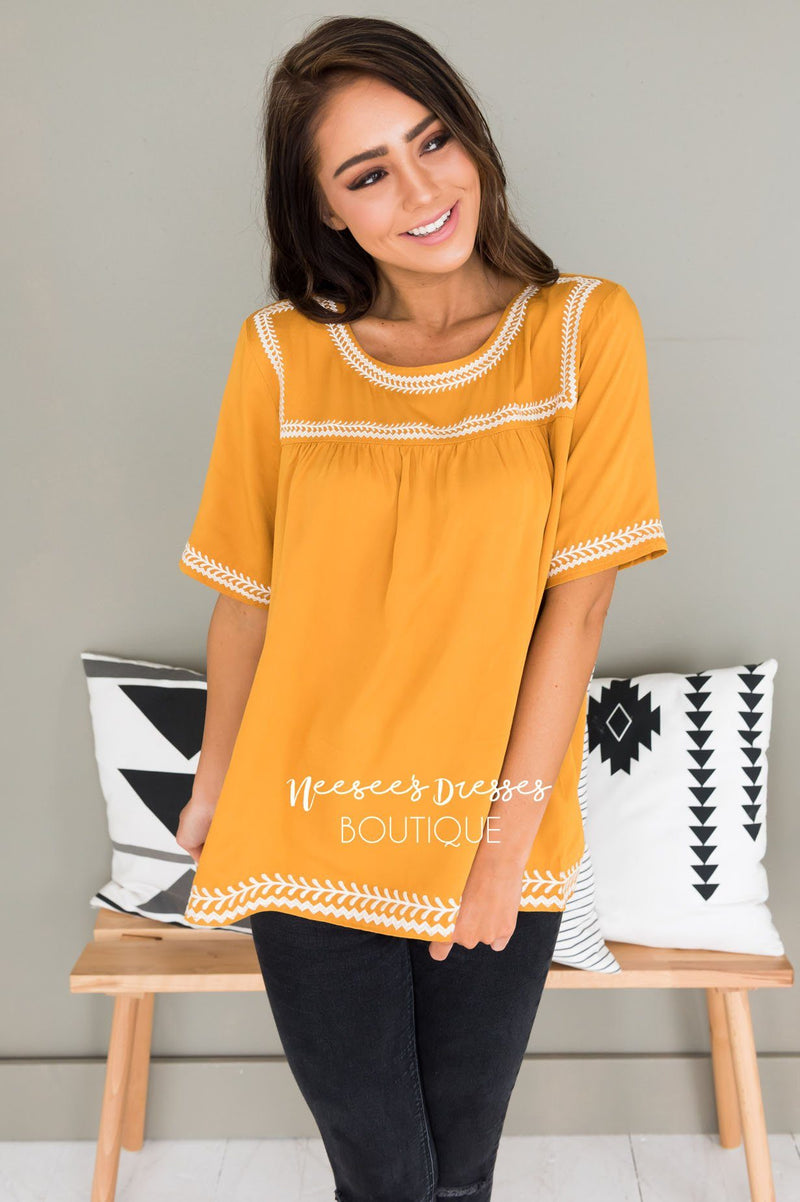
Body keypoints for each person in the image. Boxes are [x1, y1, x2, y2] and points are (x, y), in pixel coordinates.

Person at [175, 15, 669, 1202]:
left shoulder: (581, 331)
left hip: (490, 824)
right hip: (305, 817)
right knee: (385, 1174)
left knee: (458, 1170)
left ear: (470, 139)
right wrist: (213, 781)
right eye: (366, 173)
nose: (418, 188)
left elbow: (577, 609)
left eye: (431, 139)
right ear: (324, 211)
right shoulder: (279, 354)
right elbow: (245, 602)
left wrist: (501, 849)